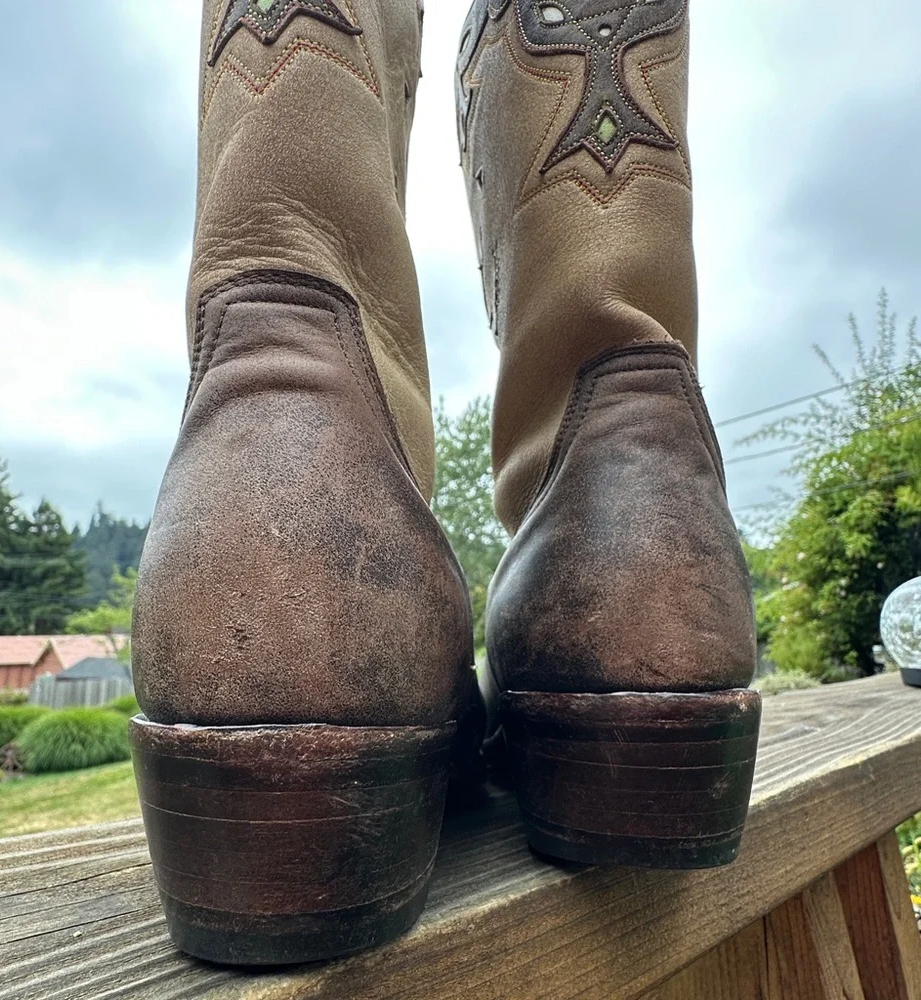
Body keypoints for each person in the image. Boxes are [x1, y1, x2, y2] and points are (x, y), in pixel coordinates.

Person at [128, 0, 760, 965]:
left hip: (223, 520)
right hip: (672, 542)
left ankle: (264, 447)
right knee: (619, 334)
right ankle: (640, 525)